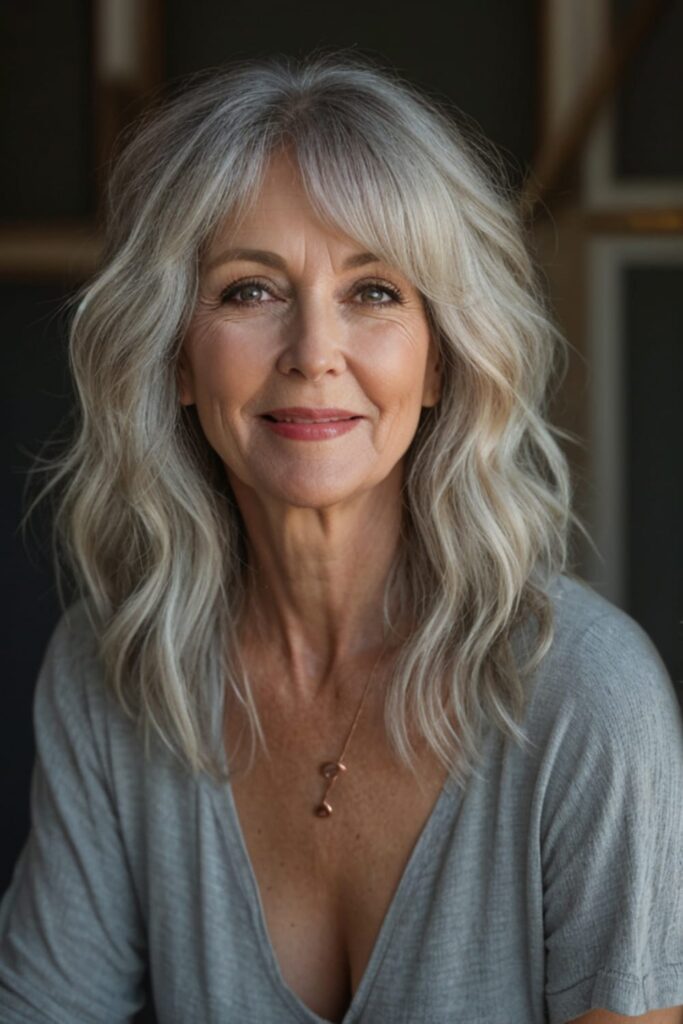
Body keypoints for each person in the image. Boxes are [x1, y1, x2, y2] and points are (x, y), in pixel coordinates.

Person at [0, 51, 682, 1024]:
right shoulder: (115, 674)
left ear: (440, 361)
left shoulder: (587, 697)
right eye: (248, 290)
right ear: (176, 358)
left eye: (374, 292)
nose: (314, 352)